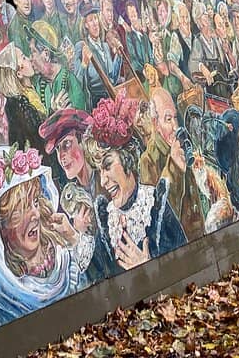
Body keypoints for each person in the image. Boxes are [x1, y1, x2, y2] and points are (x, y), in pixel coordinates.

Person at [0, 147, 88, 336]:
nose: (35, 215)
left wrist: (74, 239)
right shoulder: (0, 309)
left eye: (35, 203)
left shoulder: (66, 260)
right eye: (18, 212)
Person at [83, 93, 187, 277]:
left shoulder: (155, 206)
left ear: (127, 161)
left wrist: (149, 268)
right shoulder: (107, 220)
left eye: (107, 167)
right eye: (99, 171)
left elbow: (186, 265)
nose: (103, 180)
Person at [137, 88, 206, 241]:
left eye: (175, 117)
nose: (175, 126)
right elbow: (158, 219)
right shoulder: (147, 161)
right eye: (168, 119)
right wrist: (174, 167)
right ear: (155, 123)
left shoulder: (180, 145)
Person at [38, 108, 96, 194]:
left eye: (67, 144)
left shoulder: (106, 180)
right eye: (58, 148)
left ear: (83, 140)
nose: (61, 156)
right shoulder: (71, 196)